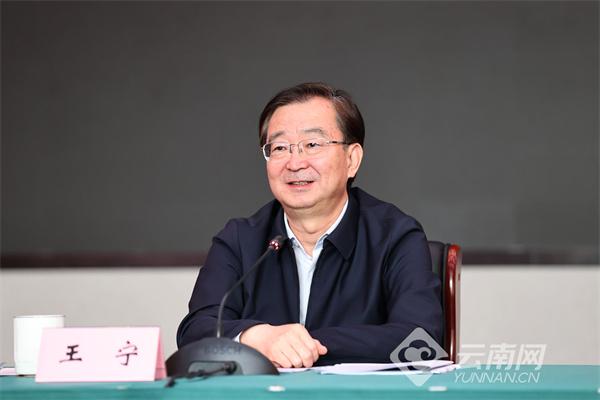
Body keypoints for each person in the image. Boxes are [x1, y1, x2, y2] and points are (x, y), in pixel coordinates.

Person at [177, 82, 442, 368]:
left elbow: (420, 340)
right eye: (280, 147)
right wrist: (258, 337)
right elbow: (195, 331)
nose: (295, 163)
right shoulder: (240, 240)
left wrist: (304, 344)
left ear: (351, 159)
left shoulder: (395, 235)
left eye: (312, 145)